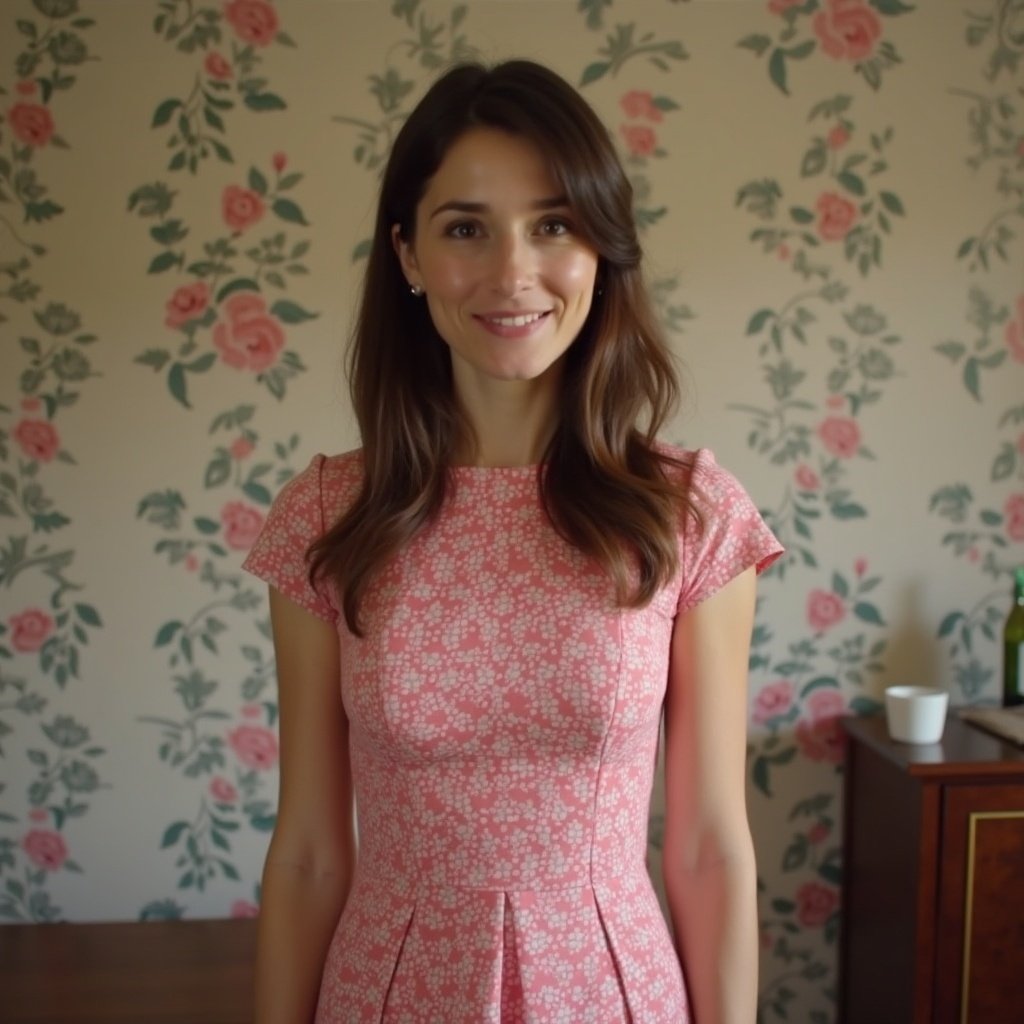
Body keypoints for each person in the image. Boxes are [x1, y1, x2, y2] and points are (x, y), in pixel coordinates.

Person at [243, 58, 782, 1024]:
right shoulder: (325, 517)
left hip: (611, 992)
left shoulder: (690, 512)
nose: (512, 273)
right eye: (465, 230)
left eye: (554, 225)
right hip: (390, 995)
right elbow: (312, 851)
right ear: (407, 256)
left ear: (599, 250)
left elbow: (707, 844)